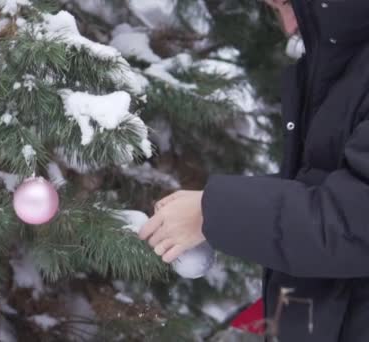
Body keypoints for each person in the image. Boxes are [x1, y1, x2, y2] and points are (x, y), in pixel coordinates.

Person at [138, 0, 369, 340]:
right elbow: (328, 185)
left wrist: (212, 212)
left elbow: (354, 221)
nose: (290, 27)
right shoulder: (344, 65)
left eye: (289, 5)